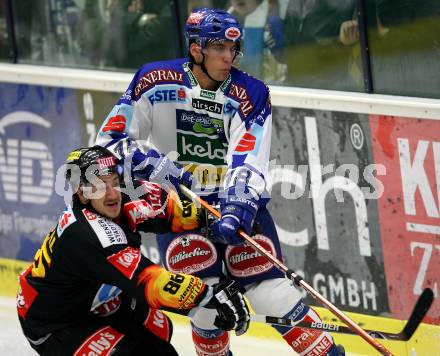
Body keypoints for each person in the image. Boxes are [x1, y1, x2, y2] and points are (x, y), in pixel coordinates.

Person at [96, 7, 345, 356]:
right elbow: (108, 140)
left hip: (234, 208)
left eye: (233, 49)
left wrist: (236, 207)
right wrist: (150, 163)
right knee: (206, 307)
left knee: (271, 294)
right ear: (196, 49)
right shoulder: (152, 80)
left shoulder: (251, 93)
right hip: (180, 209)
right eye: (219, 48)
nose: (229, 57)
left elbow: (249, 156)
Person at [16, 145, 250, 355]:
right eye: (99, 185)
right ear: (82, 194)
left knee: (160, 331)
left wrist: (221, 216)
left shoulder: (123, 194)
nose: (112, 193)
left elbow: (171, 210)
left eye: (113, 181)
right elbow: (149, 281)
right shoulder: (86, 235)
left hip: (99, 299)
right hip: (57, 323)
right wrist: (209, 295)